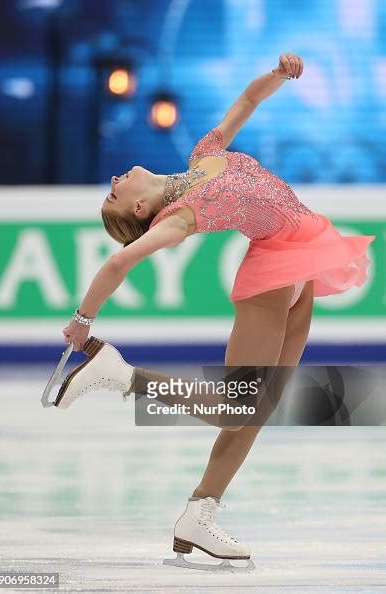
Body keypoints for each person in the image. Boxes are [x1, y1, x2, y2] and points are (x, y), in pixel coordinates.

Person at [61, 53, 376, 571]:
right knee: (237, 406)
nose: (118, 175)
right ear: (139, 210)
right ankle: (120, 375)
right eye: (116, 190)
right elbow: (120, 260)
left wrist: (276, 77)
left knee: (260, 404)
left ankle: (199, 513)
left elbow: (247, 101)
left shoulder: (204, 156)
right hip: (273, 271)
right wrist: (84, 320)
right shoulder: (179, 216)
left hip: (301, 260)